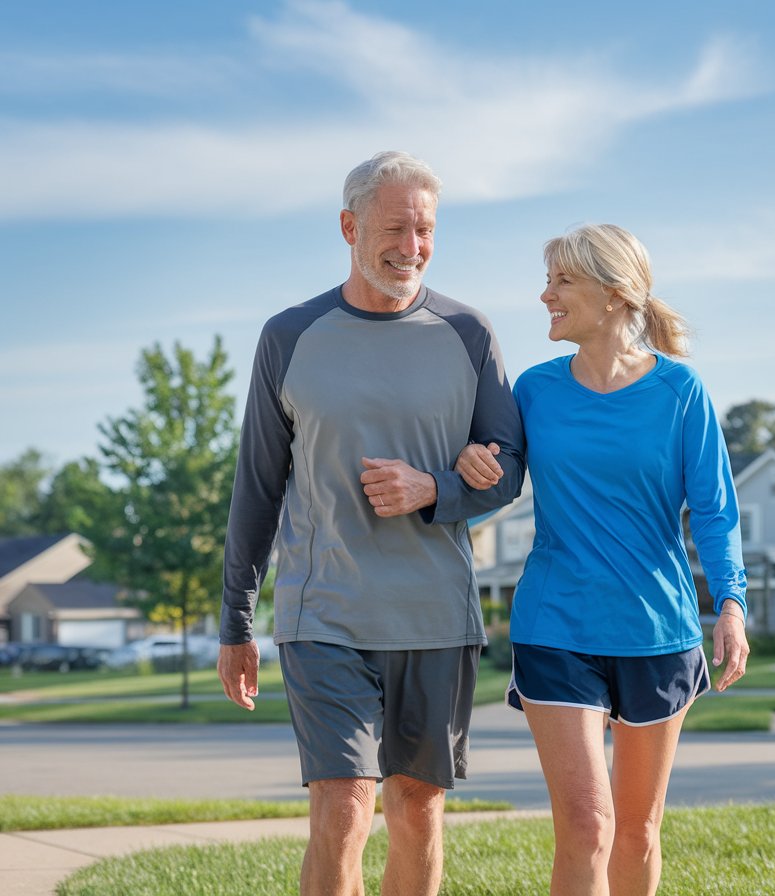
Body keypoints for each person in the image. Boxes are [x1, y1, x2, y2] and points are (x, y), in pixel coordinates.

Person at [217, 150, 525, 896]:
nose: (412, 248)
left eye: (425, 231)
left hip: (434, 614)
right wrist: (237, 622)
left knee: (417, 809)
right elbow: (258, 487)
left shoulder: (468, 332)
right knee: (345, 807)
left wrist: (436, 489)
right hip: (326, 614)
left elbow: (506, 471)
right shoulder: (289, 337)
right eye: (396, 229)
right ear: (349, 226)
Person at [456, 223, 749, 895]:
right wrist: (469, 464)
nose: (545, 295)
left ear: (615, 294)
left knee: (639, 831)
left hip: (657, 631)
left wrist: (730, 604)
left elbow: (715, 512)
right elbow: (496, 478)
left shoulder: (681, 393)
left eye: (563, 281)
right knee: (587, 825)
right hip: (555, 626)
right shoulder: (533, 390)